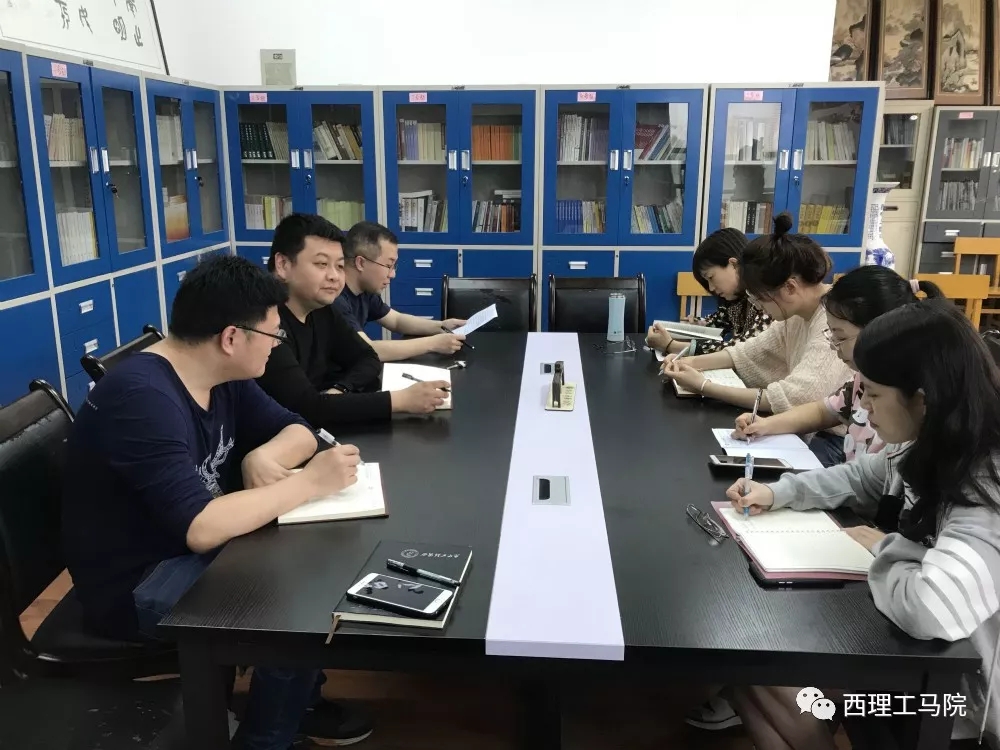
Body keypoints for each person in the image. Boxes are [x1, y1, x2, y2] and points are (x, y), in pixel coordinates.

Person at [61, 255, 374, 749]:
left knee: (312, 568)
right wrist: (309, 483)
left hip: (184, 551)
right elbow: (200, 527)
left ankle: (296, 707)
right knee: (295, 614)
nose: (278, 344)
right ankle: (266, 739)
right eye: (273, 334)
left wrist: (262, 456)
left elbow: (298, 430)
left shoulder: (219, 376)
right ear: (231, 338)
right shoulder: (143, 398)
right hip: (135, 583)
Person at [724, 301, 1000, 749]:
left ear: (923, 398)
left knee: (773, 678)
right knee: (748, 676)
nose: (864, 408)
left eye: (872, 394)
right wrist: (776, 492)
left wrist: (888, 547)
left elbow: (932, 608)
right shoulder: (929, 442)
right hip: (920, 663)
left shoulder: (985, 484)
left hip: (958, 701)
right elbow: (860, 477)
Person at [730, 267, 944, 468]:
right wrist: (766, 425)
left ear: (877, 331)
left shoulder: (908, 406)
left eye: (840, 336)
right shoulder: (860, 381)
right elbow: (823, 411)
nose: (833, 345)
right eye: (830, 334)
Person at [256, 214, 449, 428]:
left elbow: (368, 357)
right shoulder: (263, 325)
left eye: (339, 266)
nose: (334, 276)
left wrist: (340, 389)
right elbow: (308, 408)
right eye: (321, 264)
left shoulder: (323, 309)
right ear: (283, 265)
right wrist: (400, 401)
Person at [661, 213, 853, 414]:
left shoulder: (833, 322)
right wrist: (688, 362)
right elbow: (747, 353)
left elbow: (795, 397)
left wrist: (704, 386)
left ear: (789, 287)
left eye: (760, 298)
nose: (759, 307)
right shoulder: (796, 313)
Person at [336, 221, 467, 360]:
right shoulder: (335, 298)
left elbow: (396, 320)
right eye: (388, 265)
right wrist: (433, 344)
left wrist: (442, 326)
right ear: (361, 263)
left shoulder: (364, 291)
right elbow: (368, 350)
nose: (392, 274)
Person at [646, 227, 771, 356]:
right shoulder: (738, 300)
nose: (711, 288)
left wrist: (671, 345)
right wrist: (698, 324)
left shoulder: (767, 300)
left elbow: (742, 351)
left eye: (711, 277)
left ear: (734, 265)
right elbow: (718, 323)